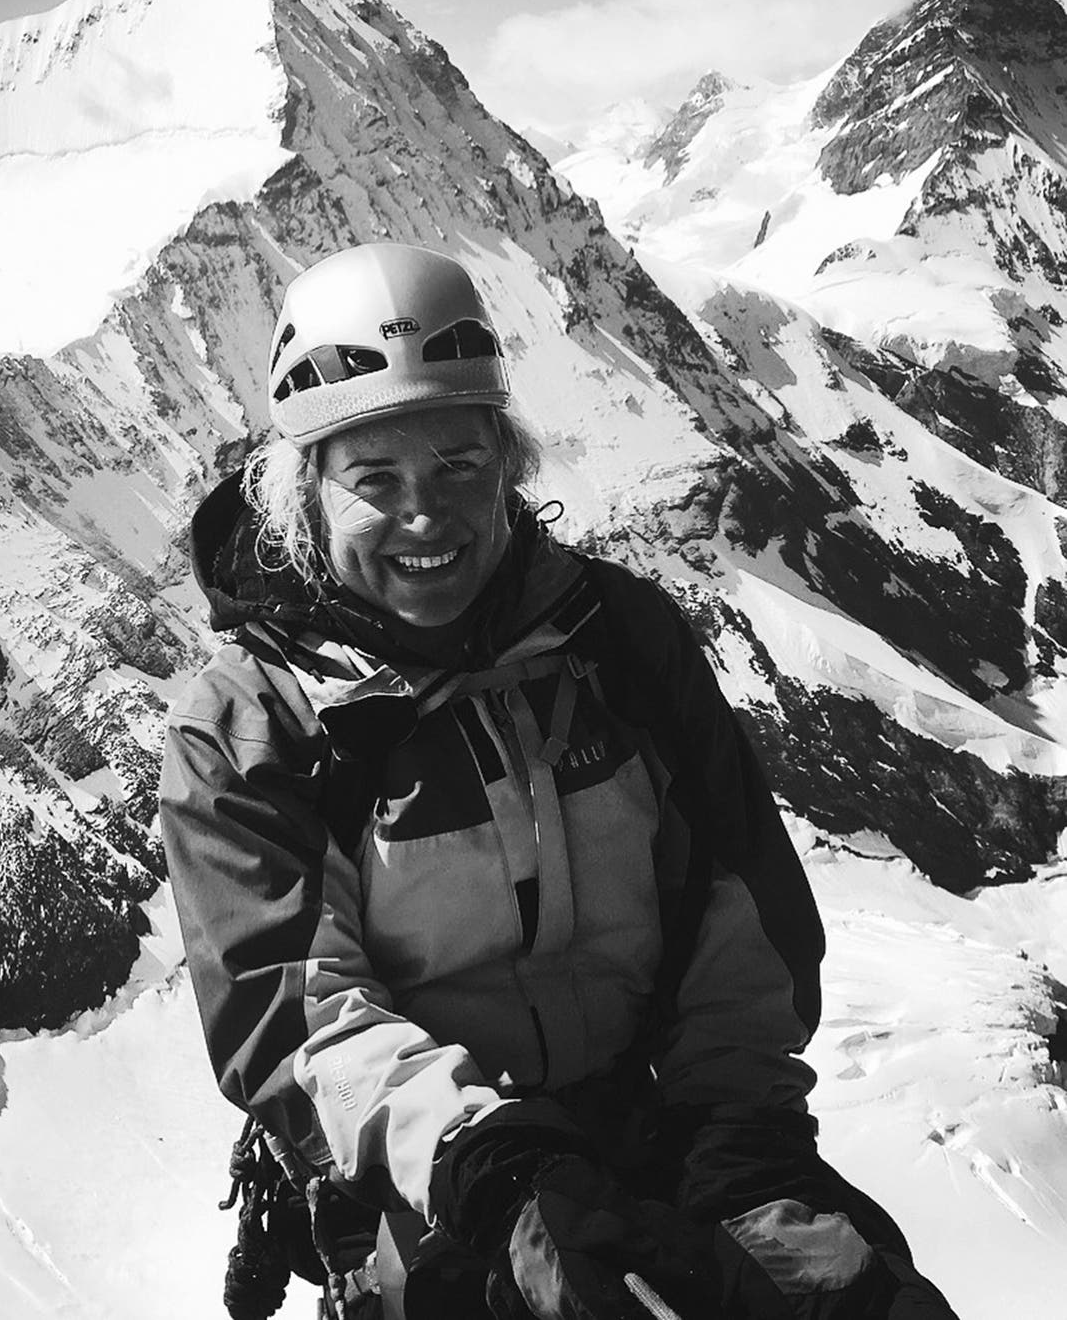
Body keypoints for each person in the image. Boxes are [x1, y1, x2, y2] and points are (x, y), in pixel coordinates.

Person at [159, 242, 956, 1320]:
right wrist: (496, 1175)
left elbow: (738, 905)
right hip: (433, 1180)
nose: (427, 515)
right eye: (374, 481)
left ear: (509, 457)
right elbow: (298, 1018)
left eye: (458, 464)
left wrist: (742, 1143)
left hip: (672, 1119)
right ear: (305, 491)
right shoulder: (252, 726)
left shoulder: (616, 639)